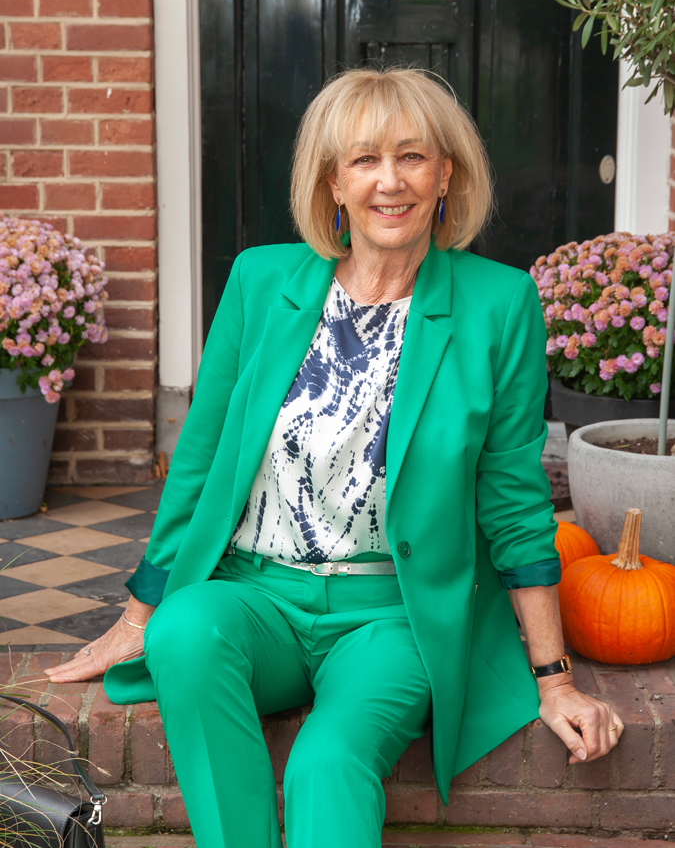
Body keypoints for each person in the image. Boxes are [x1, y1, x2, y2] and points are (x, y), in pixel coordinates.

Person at [46, 68, 623, 848]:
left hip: (392, 615)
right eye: (363, 161)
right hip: (258, 595)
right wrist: (138, 612)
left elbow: (513, 499)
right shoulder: (263, 280)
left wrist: (554, 679)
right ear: (332, 181)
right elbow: (202, 457)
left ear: (446, 172)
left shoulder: (497, 303)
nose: (390, 182)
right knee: (185, 632)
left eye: (412, 157)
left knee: (327, 761)